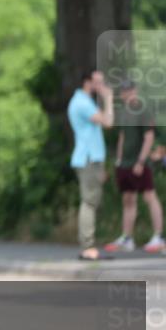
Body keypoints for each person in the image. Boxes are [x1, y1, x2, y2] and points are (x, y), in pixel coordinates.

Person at [104, 81, 164, 253]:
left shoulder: (142, 110)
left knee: (149, 196)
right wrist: (119, 159)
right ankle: (127, 237)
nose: (126, 93)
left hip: (140, 163)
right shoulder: (123, 112)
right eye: (123, 90)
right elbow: (123, 136)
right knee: (128, 199)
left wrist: (141, 161)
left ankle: (158, 236)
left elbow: (149, 137)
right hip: (125, 164)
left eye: (129, 90)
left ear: (135, 90)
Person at [68, 70, 114, 260]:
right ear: (87, 82)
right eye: (98, 82)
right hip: (88, 159)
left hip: (91, 158)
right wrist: (109, 98)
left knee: (91, 201)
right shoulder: (82, 103)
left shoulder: (85, 102)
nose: (101, 86)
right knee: (89, 201)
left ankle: (88, 245)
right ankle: (87, 246)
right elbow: (108, 122)